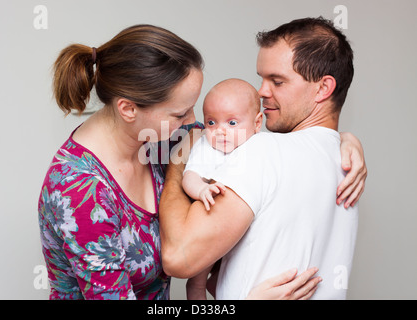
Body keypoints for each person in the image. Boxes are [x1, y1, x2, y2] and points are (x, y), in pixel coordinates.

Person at [38, 24, 366, 300]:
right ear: (128, 109)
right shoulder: (78, 191)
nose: (196, 124)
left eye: (197, 111)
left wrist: (344, 141)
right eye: (182, 113)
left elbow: (236, 132)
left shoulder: (164, 136)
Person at [159, 17, 366, 300]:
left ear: (323, 88)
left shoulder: (262, 151)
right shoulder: (346, 164)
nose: (261, 91)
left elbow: (178, 257)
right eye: (262, 78)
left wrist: (182, 157)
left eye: (277, 81)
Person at [182, 78, 263, 211]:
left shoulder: (261, 143)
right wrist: (202, 189)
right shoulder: (206, 146)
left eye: (232, 123)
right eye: (211, 123)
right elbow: (190, 176)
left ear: (257, 123)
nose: (220, 131)